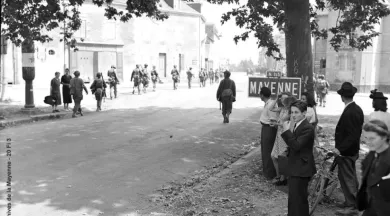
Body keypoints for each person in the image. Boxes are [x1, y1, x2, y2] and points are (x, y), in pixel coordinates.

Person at [280, 100, 316, 216]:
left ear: (304, 113)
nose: (293, 115)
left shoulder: (308, 128)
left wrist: (286, 131)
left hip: (302, 168)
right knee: (294, 199)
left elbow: (296, 145)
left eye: (296, 112)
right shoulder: (297, 124)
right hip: (296, 166)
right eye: (292, 112)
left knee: (299, 200)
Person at [334, 82, 364, 215]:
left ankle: (351, 206)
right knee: (350, 177)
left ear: (342, 97)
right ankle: (351, 202)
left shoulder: (350, 111)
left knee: (347, 178)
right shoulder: (356, 109)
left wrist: (340, 149)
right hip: (352, 150)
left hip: (347, 151)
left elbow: (352, 135)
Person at [357, 120, 390, 216]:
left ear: (384, 137)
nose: (367, 142)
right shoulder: (371, 154)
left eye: (372, 138)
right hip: (371, 207)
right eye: (366, 138)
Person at [270, 93, 297, 186]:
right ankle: (280, 176)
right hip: (279, 134)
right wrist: (276, 98)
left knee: (281, 158)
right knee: (274, 156)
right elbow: (271, 108)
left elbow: (290, 126)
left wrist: (277, 124)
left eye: (285, 99)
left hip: (284, 136)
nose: (283, 100)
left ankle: (282, 178)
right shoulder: (282, 109)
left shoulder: (291, 112)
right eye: (282, 99)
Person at [259, 87, 278, 179]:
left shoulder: (271, 104)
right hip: (265, 128)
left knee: (268, 151)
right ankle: (266, 171)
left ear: (262, 95)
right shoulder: (268, 103)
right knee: (264, 150)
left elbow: (273, 120)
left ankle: (270, 173)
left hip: (269, 129)